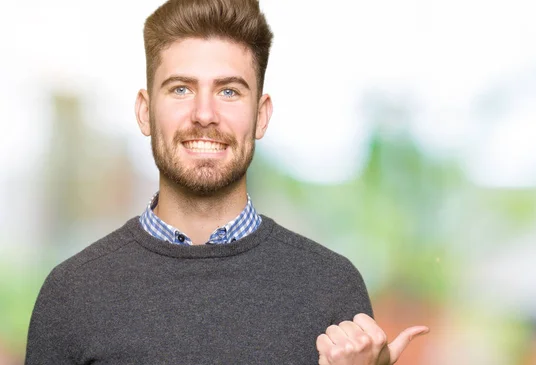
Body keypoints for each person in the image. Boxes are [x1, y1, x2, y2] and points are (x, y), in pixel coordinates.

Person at [25, 0, 428, 364]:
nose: (204, 114)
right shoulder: (71, 295)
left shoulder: (332, 289)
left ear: (262, 115)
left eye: (229, 91)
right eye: (181, 89)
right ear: (145, 112)